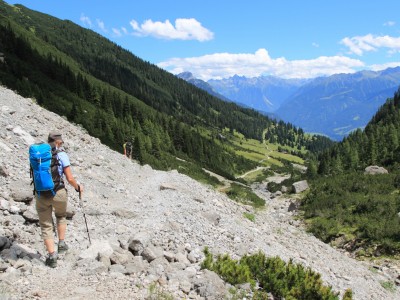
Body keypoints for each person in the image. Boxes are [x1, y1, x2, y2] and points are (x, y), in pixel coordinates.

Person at [35, 132, 83, 268]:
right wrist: (78, 187)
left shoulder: (38, 156)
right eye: (61, 142)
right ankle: (61, 244)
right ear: (58, 142)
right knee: (61, 216)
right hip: (59, 192)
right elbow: (70, 178)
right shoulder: (61, 155)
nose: (61, 144)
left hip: (41, 194)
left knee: (45, 225)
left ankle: (51, 256)